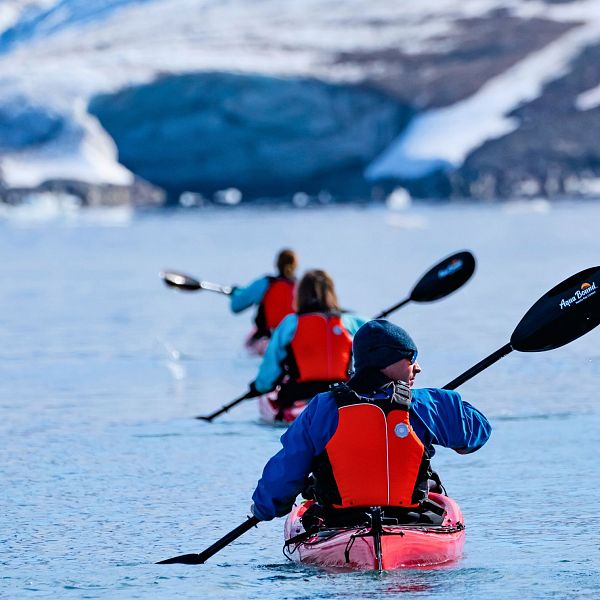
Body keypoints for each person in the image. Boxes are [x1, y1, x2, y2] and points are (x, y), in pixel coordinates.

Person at [250, 319, 491, 524]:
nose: (418, 367)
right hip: (411, 520)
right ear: (387, 361)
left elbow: (287, 467)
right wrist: (449, 404)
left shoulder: (322, 407)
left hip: (339, 523)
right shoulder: (428, 403)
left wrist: (264, 509)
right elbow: (477, 434)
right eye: (411, 358)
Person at [249, 269, 367, 413]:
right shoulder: (350, 321)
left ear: (300, 294)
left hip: (298, 395)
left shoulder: (290, 323)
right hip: (343, 396)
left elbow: (271, 364)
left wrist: (258, 387)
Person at [230, 249, 298, 347]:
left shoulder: (265, 283)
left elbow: (235, 306)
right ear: (296, 266)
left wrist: (235, 294)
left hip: (266, 339)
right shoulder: (302, 288)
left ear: (276, 264)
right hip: (293, 343)